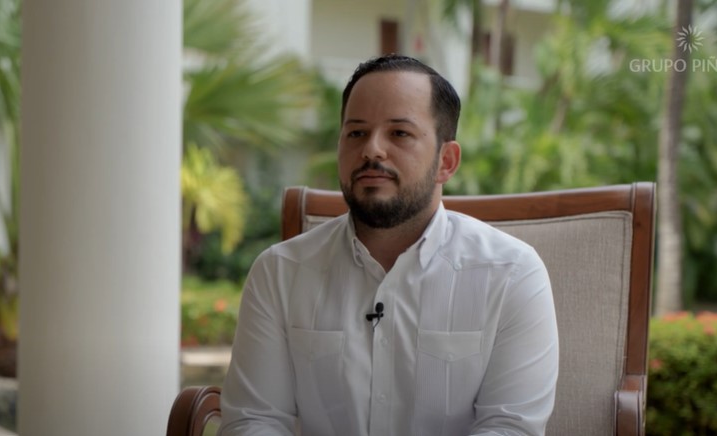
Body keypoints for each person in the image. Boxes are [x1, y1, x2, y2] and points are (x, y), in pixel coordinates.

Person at [219, 54, 559, 435]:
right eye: (356, 133)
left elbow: (511, 428)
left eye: (399, 133)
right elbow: (253, 420)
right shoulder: (280, 272)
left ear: (446, 161)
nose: (372, 150)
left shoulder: (512, 274)